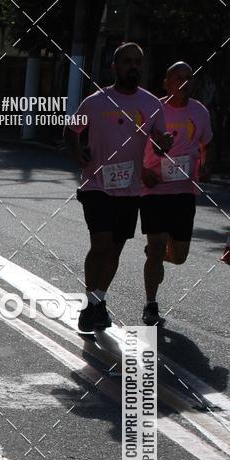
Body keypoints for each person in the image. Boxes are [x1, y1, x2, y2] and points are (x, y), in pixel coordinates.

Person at [64, 42, 173, 333]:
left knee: (114, 249)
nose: (133, 67)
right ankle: (90, 305)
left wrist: (163, 145)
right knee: (100, 243)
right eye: (127, 61)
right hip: (96, 185)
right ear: (114, 66)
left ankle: (97, 301)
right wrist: (77, 152)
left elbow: (159, 142)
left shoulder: (152, 104)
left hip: (129, 189)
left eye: (137, 62)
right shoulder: (96, 101)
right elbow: (71, 130)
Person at [139, 61, 213, 325]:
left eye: (188, 77)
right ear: (166, 83)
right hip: (154, 189)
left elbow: (206, 143)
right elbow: (131, 145)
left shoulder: (200, 111)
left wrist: (205, 165)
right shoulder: (152, 110)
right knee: (158, 245)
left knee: (179, 257)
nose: (184, 82)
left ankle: (156, 254)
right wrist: (142, 171)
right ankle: (151, 304)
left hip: (184, 191)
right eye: (177, 78)